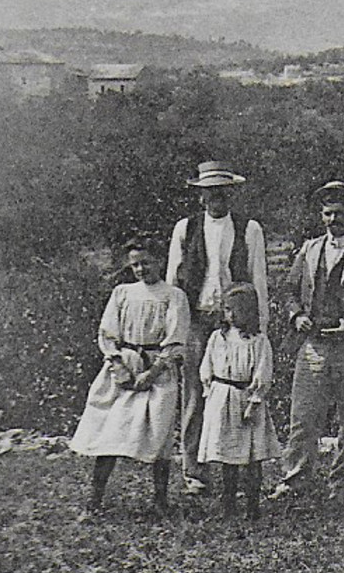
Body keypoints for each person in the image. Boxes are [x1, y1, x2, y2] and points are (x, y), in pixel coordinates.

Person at [273, 180, 344, 498]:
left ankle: (343, 477)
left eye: (338, 213)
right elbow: (287, 289)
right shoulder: (310, 250)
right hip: (314, 345)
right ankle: (296, 476)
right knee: (303, 415)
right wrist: (297, 315)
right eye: (326, 213)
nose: (332, 220)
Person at [166, 161, 269, 496]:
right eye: (210, 193)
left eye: (222, 192)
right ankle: (194, 469)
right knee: (196, 394)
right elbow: (173, 283)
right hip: (198, 320)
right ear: (200, 196)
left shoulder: (248, 229)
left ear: (231, 194)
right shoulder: (186, 228)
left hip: (236, 324)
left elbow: (259, 281)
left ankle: (235, 467)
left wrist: (260, 329)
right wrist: (174, 335)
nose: (216, 199)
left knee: (237, 394)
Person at [70, 237, 191, 518]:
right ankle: (95, 499)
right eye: (135, 264)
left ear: (159, 261)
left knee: (159, 436)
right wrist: (116, 364)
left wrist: (153, 373)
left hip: (156, 370)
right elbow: (107, 333)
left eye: (146, 262)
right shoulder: (122, 292)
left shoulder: (173, 296)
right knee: (109, 433)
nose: (140, 269)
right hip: (124, 366)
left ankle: (160, 501)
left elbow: (175, 341)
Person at [197, 283, 281, 519]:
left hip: (245, 400)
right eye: (227, 309)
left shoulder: (258, 341)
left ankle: (253, 506)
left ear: (250, 312)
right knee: (227, 456)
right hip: (222, 398)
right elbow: (207, 366)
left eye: (238, 310)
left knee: (251, 456)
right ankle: (229, 504)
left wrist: (255, 401)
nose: (232, 316)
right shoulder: (217, 338)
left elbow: (263, 373)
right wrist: (210, 393)